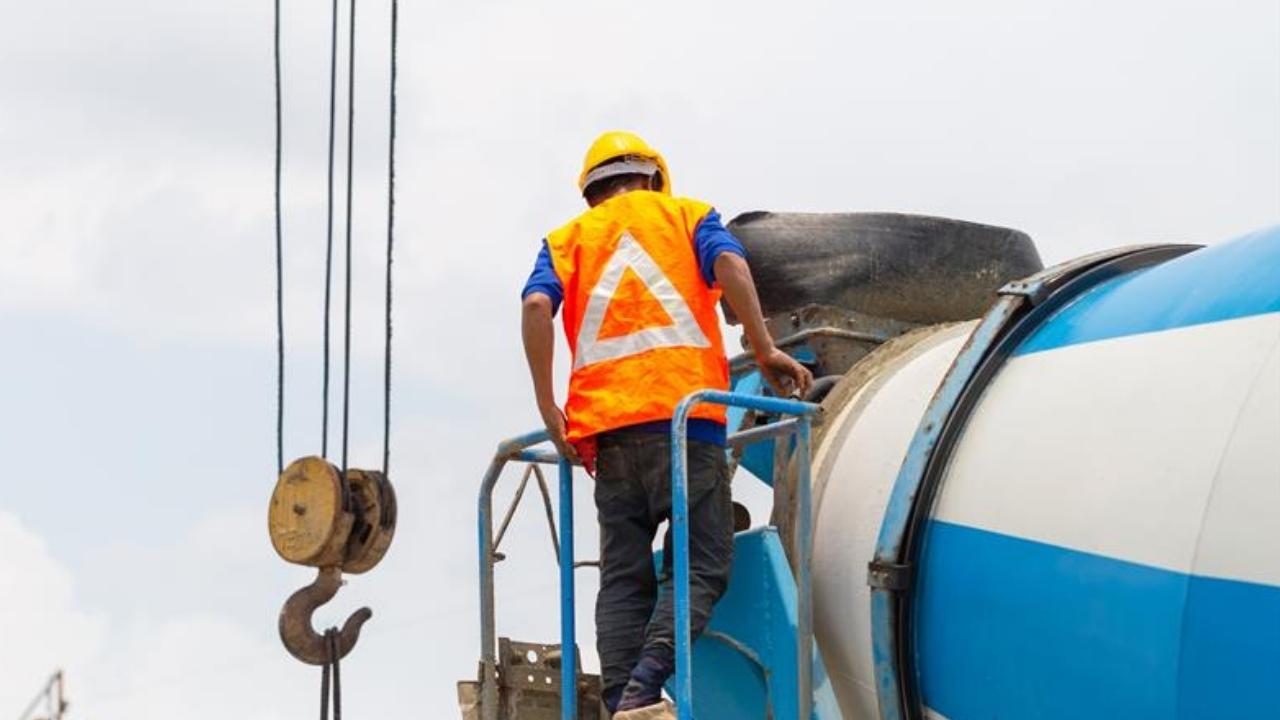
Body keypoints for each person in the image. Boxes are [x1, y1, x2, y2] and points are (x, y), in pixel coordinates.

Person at [521, 131, 812, 718]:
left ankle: (619, 704)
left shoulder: (565, 241)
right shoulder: (688, 215)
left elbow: (534, 308)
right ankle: (642, 688)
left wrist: (547, 406)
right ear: (653, 176)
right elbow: (729, 261)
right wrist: (762, 350)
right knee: (702, 562)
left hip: (608, 435)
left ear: (591, 192)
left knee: (623, 577)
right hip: (685, 424)